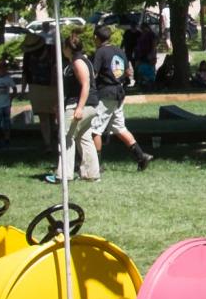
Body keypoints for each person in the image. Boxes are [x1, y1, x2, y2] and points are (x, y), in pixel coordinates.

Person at [90, 24, 153, 170]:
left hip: (106, 94)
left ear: (96, 38)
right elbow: (128, 72)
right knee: (119, 127)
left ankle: (96, 165)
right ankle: (141, 156)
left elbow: (93, 74)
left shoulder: (100, 52)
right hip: (119, 93)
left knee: (95, 129)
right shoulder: (119, 51)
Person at [47, 28, 101, 183]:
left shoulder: (78, 62)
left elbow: (85, 84)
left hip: (81, 106)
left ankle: (64, 175)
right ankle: (91, 174)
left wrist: (78, 108)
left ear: (67, 48)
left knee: (66, 137)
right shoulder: (82, 60)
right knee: (84, 138)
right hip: (88, 105)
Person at [21, 28, 58, 149]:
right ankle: (47, 143)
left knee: (53, 116)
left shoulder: (52, 51)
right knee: (43, 116)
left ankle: (53, 140)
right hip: (36, 87)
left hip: (52, 87)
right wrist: (23, 90)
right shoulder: (28, 55)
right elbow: (25, 72)